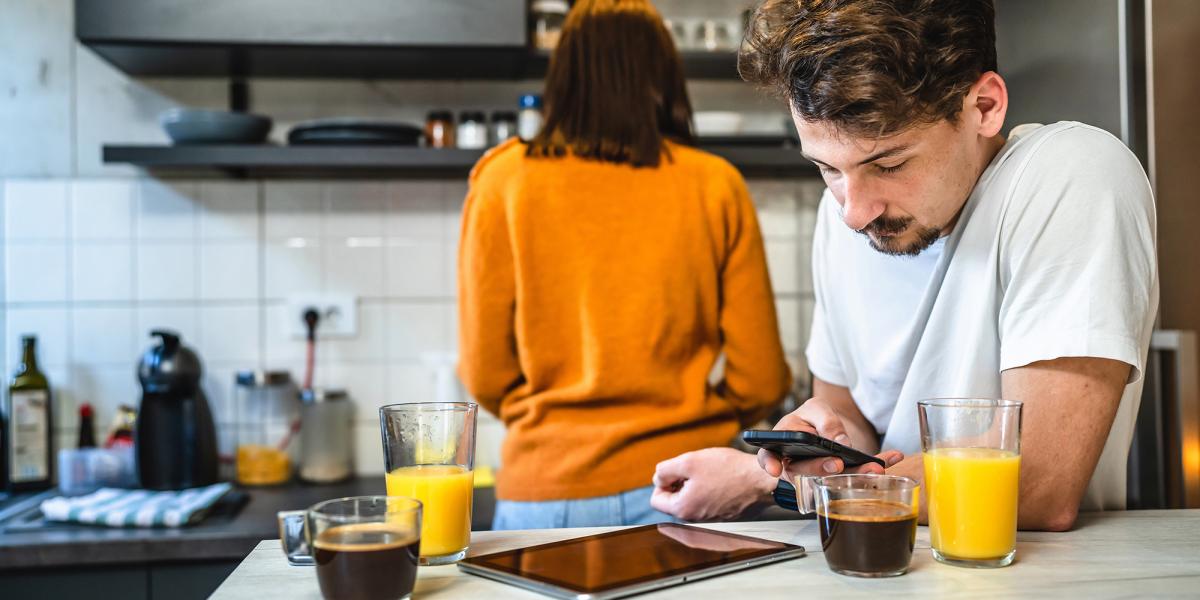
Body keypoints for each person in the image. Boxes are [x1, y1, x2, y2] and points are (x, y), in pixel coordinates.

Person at [651, 0, 1157, 531]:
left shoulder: (1072, 174)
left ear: (983, 106)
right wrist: (825, 443)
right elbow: (850, 420)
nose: (854, 211)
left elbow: (1037, 486)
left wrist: (778, 484)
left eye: (888, 163)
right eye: (827, 168)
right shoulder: (842, 213)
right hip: (875, 561)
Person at [457, 0, 791, 530]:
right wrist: (698, 423)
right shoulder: (713, 184)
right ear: (663, 74)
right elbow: (762, 377)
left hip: (544, 491)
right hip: (684, 485)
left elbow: (484, 374)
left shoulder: (503, 182)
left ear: (563, 74)